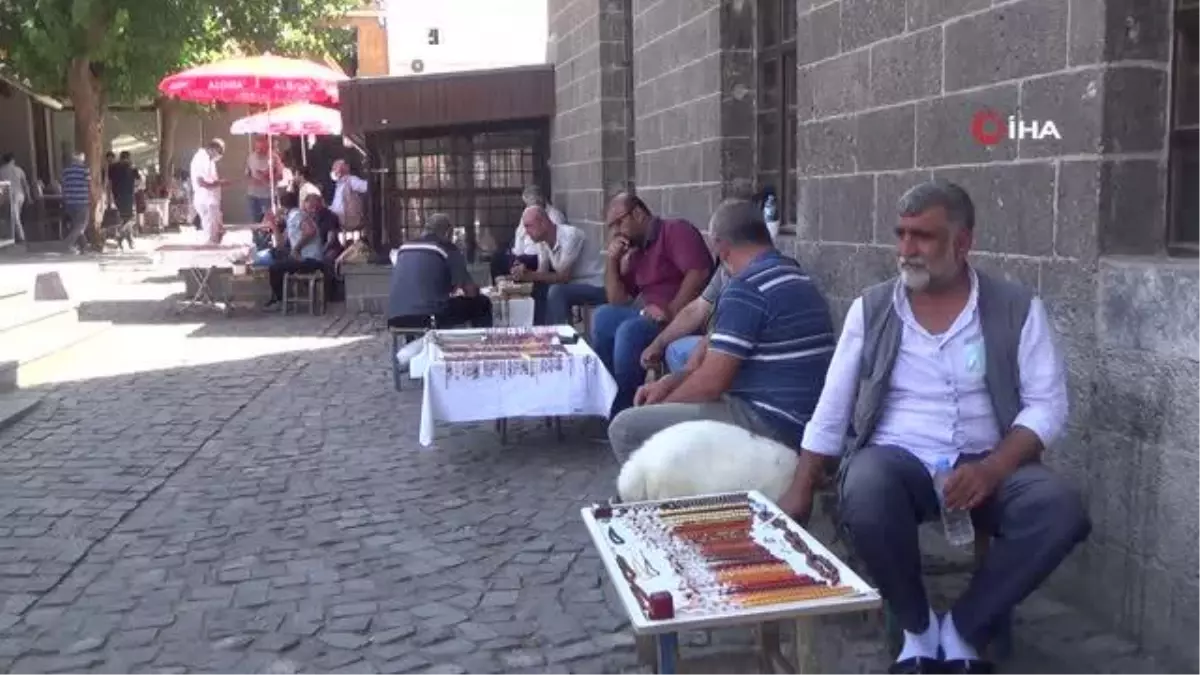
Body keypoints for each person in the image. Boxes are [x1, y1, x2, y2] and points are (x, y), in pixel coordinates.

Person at [775, 181, 1090, 675]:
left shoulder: (1016, 307)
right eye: (900, 235)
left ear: (962, 243)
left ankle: (963, 630)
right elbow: (833, 406)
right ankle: (917, 629)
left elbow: (1047, 407)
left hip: (990, 463)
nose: (906, 250)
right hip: (900, 463)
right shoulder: (873, 308)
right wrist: (800, 485)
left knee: (1061, 509)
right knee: (865, 485)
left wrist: (992, 469)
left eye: (921, 237)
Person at [607, 198, 835, 462]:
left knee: (626, 428)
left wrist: (660, 406)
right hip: (804, 421)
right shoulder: (795, 276)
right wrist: (670, 381)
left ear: (722, 248)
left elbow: (710, 384)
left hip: (770, 423)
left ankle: (671, 501)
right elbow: (711, 358)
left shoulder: (746, 288)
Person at [591, 193, 712, 416]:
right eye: (611, 227)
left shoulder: (674, 230)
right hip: (649, 316)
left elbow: (699, 272)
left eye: (619, 222)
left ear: (638, 213)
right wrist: (612, 260)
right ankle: (611, 401)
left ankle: (628, 412)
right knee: (603, 317)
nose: (616, 231)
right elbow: (617, 300)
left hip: (684, 317)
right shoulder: (637, 252)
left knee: (629, 331)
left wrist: (672, 311)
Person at [387, 212, 493, 333]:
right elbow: (471, 292)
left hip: (395, 317)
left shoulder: (404, 248)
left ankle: (412, 345)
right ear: (448, 233)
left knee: (417, 310)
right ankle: (481, 347)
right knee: (482, 303)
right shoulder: (447, 248)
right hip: (429, 316)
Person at [513, 205, 606, 325]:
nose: (526, 232)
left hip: (596, 285)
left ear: (543, 223)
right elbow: (542, 273)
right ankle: (541, 332)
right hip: (574, 284)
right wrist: (523, 273)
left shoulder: (571, 236)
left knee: (557, 291)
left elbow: (563, 277)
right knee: (539, 288)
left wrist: (530, 275)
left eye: (529, 226)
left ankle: (561, 335)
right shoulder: (542, 242)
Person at [491, 185, 566, 282]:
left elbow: (548, 249)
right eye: (526, 204)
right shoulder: (528, 213)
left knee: (518, 265)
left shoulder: (555, 216)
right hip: (523, 252)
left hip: (537, 255)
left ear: (540, 200)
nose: (528, 206)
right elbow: (520, 234)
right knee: (497, 258)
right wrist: (518, 253)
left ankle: (512, 282)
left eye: (530, 203)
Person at [263, 192, 324, 311]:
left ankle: (279, 300)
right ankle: (278, 295)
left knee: (275, 268)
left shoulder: (297, 215)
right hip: (301, 256)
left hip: (310, 258)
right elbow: (281, 244)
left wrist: (296, 249)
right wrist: (274, 226)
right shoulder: (291, 217)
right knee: (275, 254)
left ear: (281, 205)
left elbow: (310, 231)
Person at [189, 138, 229, 244]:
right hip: (205, 200)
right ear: (213, 149)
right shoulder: (201, 159)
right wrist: (220, 183)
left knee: (216, 228)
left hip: (210, 200)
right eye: (219, 152)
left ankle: (216, 239)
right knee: (211, 232)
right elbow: (202, 182)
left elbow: (211, 179)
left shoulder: (209, 160)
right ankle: (212, 244)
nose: (220, 155)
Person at [245, 136, 283, 224]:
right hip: (253, 195)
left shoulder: (274, 157)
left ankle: (267, 237)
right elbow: (247, 174)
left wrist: (267, 177)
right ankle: (256, 237)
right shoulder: (251, 157)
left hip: (269, 195)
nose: (258, 149)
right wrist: (253, 180)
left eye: (261, 147)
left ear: (267, 145)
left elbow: (281, 175)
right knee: (255, 220)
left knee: (269, 221)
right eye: (257, 147)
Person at [60, 152, 91, 254]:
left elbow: (63, 186)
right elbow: (89, 184)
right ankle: (67, 244)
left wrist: (65, 199)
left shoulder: (66, 171)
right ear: (81, 159)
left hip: (69, 201)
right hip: (81, 200)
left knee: (76, 225)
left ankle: (84, 247)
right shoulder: (84, 170)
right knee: (81, 225)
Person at [107, 151, 139, 248]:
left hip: (117, 196)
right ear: (128, 158)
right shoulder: (132, 167)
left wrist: (109, 197)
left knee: (123, 218)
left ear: (120, 158)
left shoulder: (112, 167)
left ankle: (125, 239)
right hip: (129, 196)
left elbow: (109, 183)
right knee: (130, 218)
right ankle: (123, 237)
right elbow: (139, 181)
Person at [329, 159, 367, 231]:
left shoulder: (352, 181)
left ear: (342, 169)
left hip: (351, 223)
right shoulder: (339, 185)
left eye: (335, 168)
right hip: (340, 224)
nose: (333, 171)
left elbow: (366, 186)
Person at [0, 153, 31, 242]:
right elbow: (25, 184)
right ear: (12, 160)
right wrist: (29, 197)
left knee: (12, 217)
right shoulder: (19, 170)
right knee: (16, 216)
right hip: (20, 195)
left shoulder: (1, 171)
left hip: (9, 196)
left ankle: (17, 237)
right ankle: (19, 237)